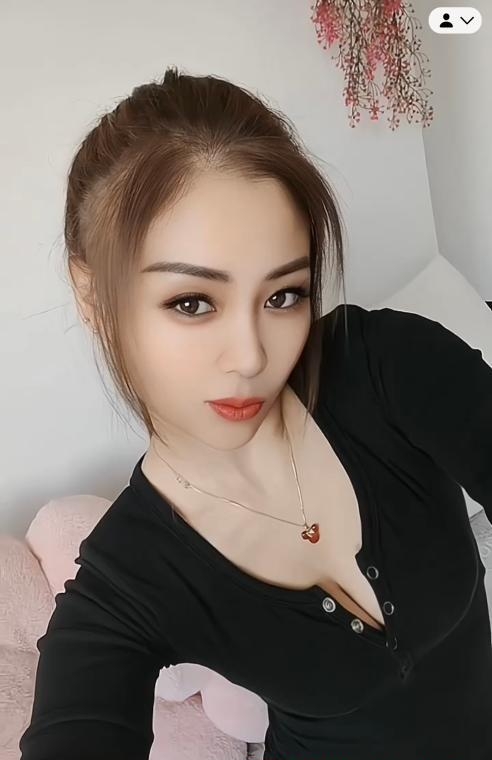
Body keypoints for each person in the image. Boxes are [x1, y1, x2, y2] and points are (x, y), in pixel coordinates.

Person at [19, 65, 492, 760]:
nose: (250, 357)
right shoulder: (126, 582)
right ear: (93, 297)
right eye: (191, 302)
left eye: (283, 296)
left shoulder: (389, 367)